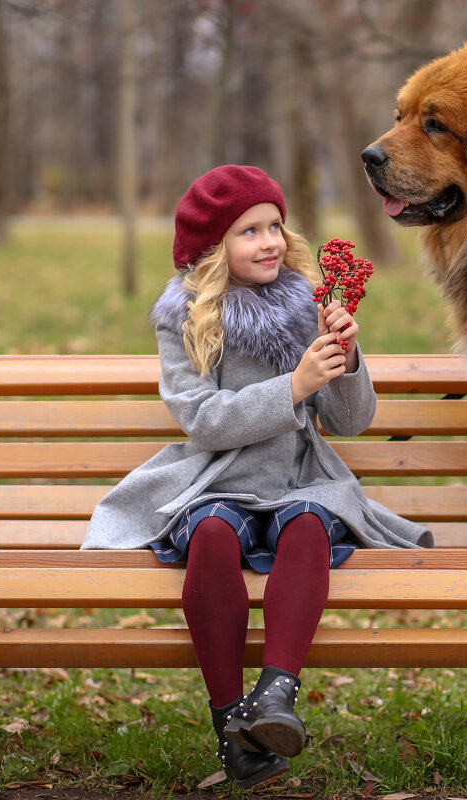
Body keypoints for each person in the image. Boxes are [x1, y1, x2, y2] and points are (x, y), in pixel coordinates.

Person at [82, 165, 433, 789]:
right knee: (212, 536)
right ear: (216, 248)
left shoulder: (307, 302)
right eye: (250, 231)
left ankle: (274, 697)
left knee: (308, 528)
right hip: (217, 478)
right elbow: (204, 420)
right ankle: (231, 728)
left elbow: (348, 423)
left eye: (275, 225)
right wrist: (292, 384)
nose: (270, 240)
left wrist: (344, 360)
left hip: (300, 476)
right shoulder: (187, 316)